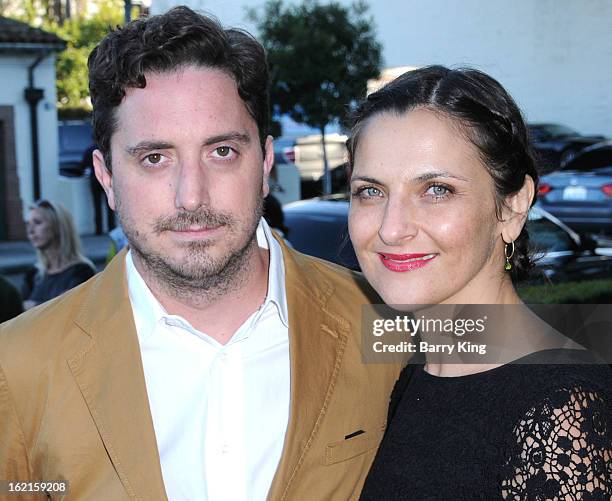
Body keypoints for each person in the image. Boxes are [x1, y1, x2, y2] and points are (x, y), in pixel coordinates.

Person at [0, 7, 401, 500]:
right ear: (106, 177)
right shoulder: (16, 364)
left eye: (222, 152)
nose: (192, 196)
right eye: (154, 158)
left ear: (266, 162)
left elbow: (515, 349)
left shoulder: (389, 325)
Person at [346, 66, 612, 499]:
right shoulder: (419, 375)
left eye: (436, 190)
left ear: (512, 207)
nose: (391, 229)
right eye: (371, 191)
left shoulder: (563, 413)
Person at [22, 199, 96, 309]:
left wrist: (34, 306)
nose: (31, 231)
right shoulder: (33, 274)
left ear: (57, 226)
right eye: (28, 224)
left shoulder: (82, 272)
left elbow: (71, 310)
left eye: (37, 223)